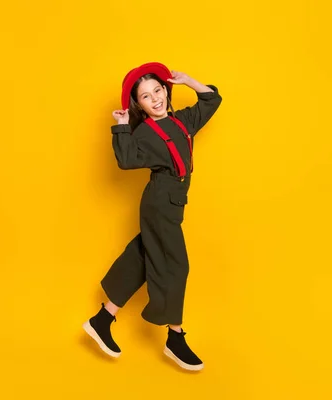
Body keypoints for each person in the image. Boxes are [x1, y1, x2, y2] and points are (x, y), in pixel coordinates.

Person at [83, 62, 222, 371]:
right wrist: (121, 126)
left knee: (145, 257)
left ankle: (102, 319)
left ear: (166, 90)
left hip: (174, 203)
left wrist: (189, 81)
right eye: (146, 97)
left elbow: (211, 100)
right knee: (176, 264)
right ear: (140, 106)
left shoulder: (183, 120)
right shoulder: (145, 132)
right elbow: (127, 159)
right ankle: (175, 337)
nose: (155, 98)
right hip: (159, 203)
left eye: (158, 90)